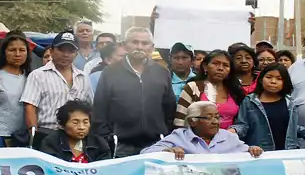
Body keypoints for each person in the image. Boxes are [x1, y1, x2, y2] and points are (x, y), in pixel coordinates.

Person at [93, 27, 177, 157]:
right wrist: (107, 138)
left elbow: (169, 109)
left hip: (155, 144)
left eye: (145, 43)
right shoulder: (110, 72)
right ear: (125, 45)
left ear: (152, 47)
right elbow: (100, 109)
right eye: (135, 42)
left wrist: (165, 134)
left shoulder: (162, 72)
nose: (139, 46)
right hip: (120, 145)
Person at [21, 31, 93, 147]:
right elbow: (30, 107)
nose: (66, 54)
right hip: (47, 133)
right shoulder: (38, 75)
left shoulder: (83, 77)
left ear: (76, 54)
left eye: (70, 51)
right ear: (52, 51)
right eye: (61, 49)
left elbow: (89, 107)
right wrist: (34, 135)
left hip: (76, 137)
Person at [231, 64, 305, 150]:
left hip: (287, 152)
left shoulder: (289, 102)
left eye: (279, 78)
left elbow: (291, 127)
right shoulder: (250, 101)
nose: (273, 81)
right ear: (261, 79)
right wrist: (234, 130)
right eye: (269, 77)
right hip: (259, 152)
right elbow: (243, 125)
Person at [144, 101, 263, 158]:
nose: (215, 122)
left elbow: (246, 151)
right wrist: (167, 151)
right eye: (209, 118)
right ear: (192, 121)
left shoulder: (228, 137)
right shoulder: (179, 137)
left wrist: (253, 149)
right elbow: (146, 153)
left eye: (217, 117)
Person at [174, 50, 246, 131]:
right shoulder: (193, 88)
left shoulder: (235, 91)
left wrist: (234, 130)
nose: (220, 68)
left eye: (225, 65)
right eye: (215, 63)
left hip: (228, 138)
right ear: (205, 66)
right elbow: (179, 122)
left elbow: (242, 123)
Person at [0, 32, 31, 148]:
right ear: (4, 52)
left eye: (22, 50)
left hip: (24, 137)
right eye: (12, 50)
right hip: (0, 137)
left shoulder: (31, 76)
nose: (17, 54)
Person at [39, 100, 111, 163]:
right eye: (75, 122)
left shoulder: (99, 144)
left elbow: (103, 169)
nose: (82, 127)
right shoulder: (51, 142)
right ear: (63, 124)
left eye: (85, 122)